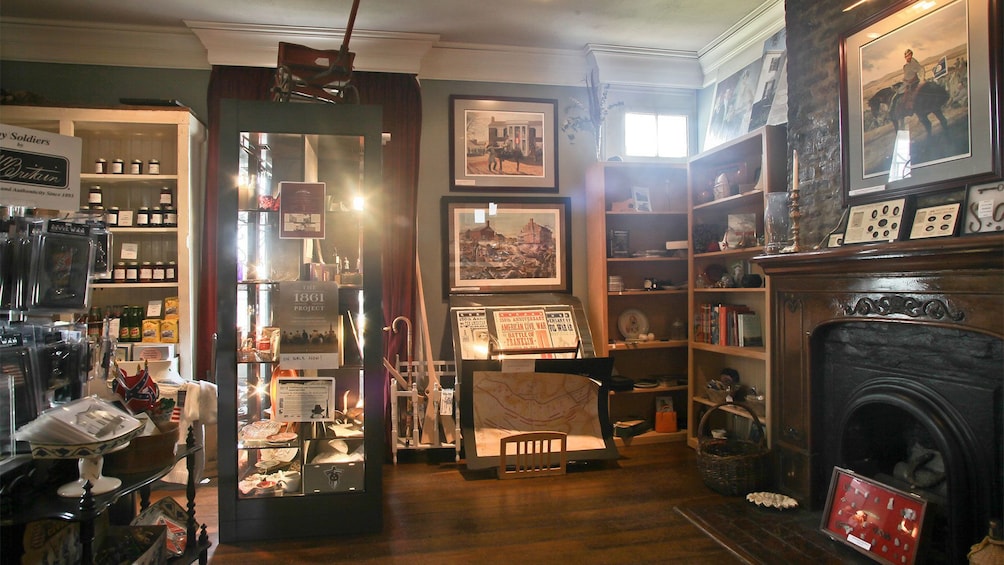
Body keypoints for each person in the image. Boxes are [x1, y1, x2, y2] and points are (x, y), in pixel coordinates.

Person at [900, 48, 925, 114]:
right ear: (905, 57)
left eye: (910, 55)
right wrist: (904, 80)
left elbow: (920, 70)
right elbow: (907, 75)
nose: (909, 57)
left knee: (913, 94)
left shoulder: (913, 63)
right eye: (907, 56)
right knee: (902, 95)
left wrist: (922, 79)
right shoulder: (905, 66)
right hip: (907, 83)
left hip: (914, 82)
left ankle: (913, 108)